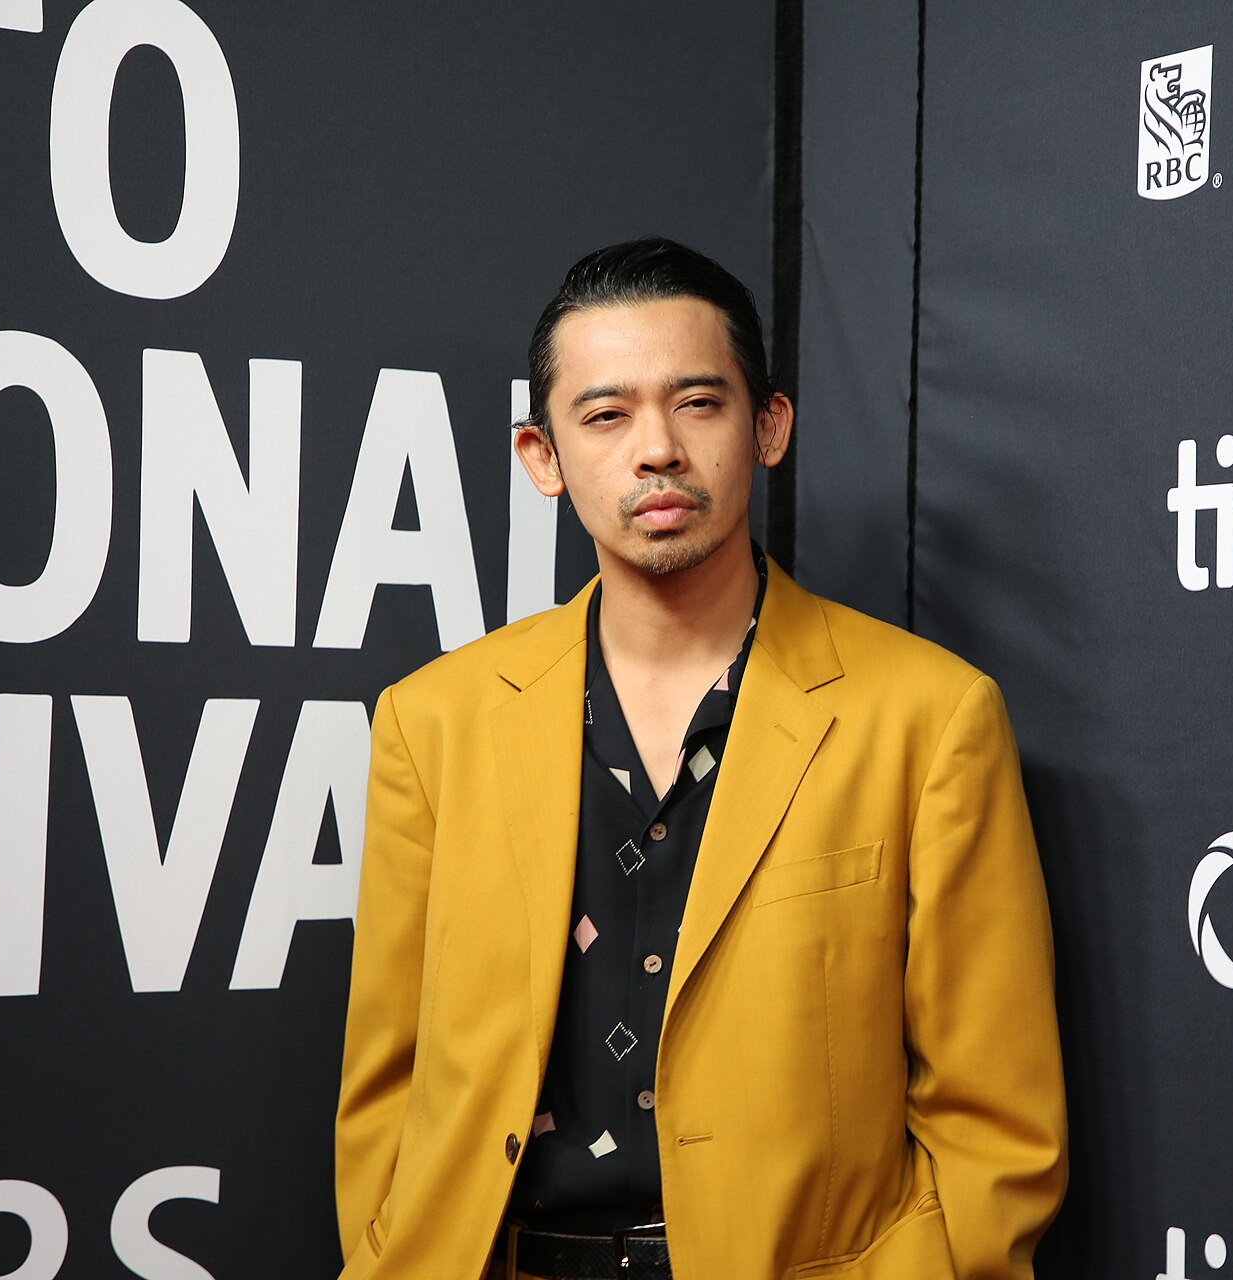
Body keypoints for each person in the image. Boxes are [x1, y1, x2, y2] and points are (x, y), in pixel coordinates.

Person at [334, 237, 1066, 1280]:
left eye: (699, 403)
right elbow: (386, 1083)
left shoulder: (930, 717)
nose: (657, 449)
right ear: (541, 456)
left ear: (769, 426)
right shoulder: (434, 719)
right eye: (606, 413)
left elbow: (996, 1116)